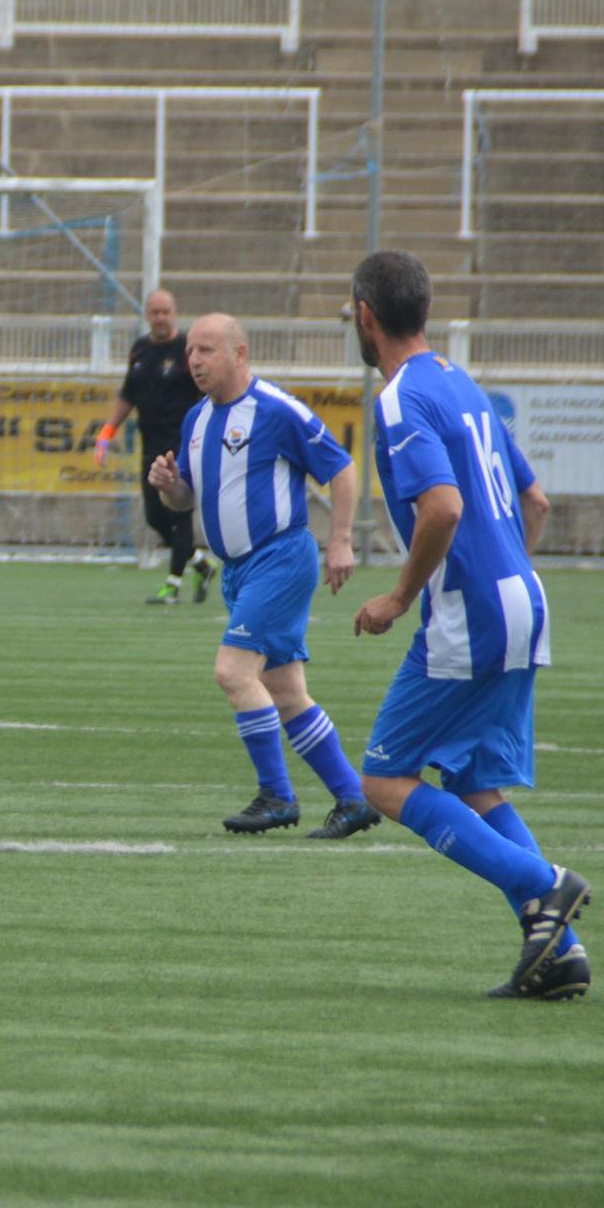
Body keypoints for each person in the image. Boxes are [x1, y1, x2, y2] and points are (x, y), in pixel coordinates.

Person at [349, 251, 591, 1000]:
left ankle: (542, 883)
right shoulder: (461, 383)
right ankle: (563, 955)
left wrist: (396, 596)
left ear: (364, 315)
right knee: (479, 783)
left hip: (472, 615)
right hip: (525, 599)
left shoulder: (399, 398)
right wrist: (503, 565)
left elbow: (444, 507)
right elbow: (538, 501)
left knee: (386, 779)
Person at [147, 313, 381, 841]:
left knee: (233, 672)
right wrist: (168, 485)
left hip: (279, 558)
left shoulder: (276, 410)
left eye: (206, 350)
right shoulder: (197, 419)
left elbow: (341, 469)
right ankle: (352, 798)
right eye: (190, 352)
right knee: (284, 690)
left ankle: (277, 794)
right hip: (238, 571)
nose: (195, 361)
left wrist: (340, 540)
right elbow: (186, 499)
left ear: (240, 353)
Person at [93, 288, 216, 605]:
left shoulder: (189, 351)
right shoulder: (140, 350)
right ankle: (201, 564)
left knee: (179, 515)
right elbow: (127, 396)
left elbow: (210, 393)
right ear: (147, 315)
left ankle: (173, 585)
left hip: (183, 448)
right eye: (154, 312)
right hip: (151, 447)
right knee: (155, 518)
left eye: (165, 311)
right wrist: (106, 433)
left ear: (175, 313)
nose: (160, 318)